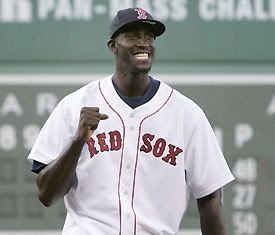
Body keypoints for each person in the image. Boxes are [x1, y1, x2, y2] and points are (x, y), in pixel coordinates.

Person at [28, 7, 234, 235]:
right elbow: (46, 195)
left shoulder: (186, 114)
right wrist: (77, 141)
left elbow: (210, 197)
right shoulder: (75, 105)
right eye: (133, 36)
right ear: (113, 46)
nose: (143, 42)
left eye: (149, 36)